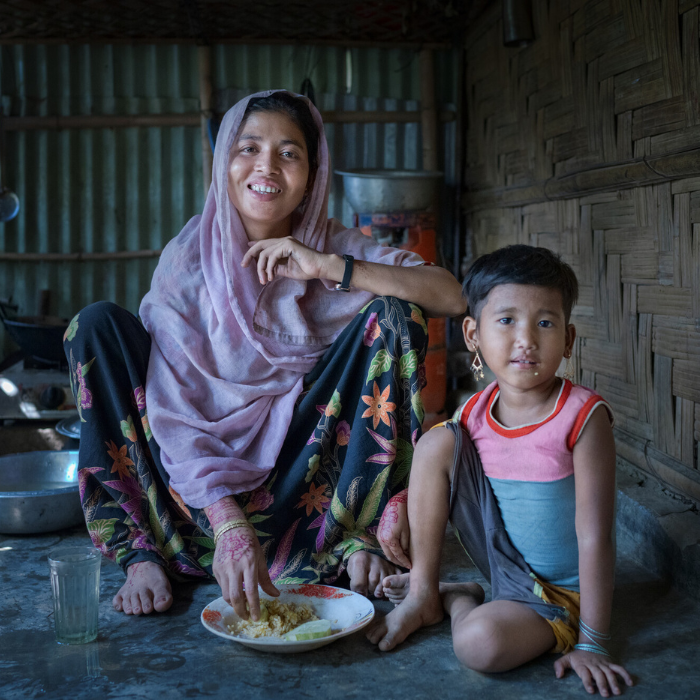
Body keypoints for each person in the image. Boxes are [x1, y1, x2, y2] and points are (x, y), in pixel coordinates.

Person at [63, 89, 466, 622]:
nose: (266, 167)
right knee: (94, 326)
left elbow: (452, 296)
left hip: (300, 484)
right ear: (225, 161)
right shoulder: (186, 263)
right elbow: (172, 410)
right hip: (187, 495)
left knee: (397, 314)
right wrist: (227, 521)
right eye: (248, 148)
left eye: (289, 152)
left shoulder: (330, 246)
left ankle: (353, 533)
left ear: (313, 173)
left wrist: (328, 267)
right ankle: (143, 552)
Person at [368, 245, 634, 697]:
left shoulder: (583, 417)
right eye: (506, 320)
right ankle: (423, 591)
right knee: (437, 440)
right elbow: (445, 477)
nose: (526, 339)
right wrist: (399, 504)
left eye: (545, 323)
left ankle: (460, 600)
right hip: (501, 562)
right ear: (473, 333)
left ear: (568, 340)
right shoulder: (474, 411)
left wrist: (594, 641)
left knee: (479, 645)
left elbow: (596, 535)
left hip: (558, 595)